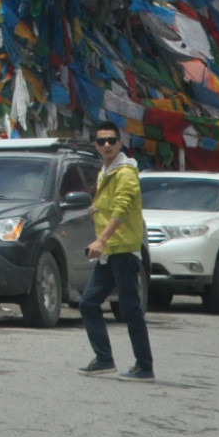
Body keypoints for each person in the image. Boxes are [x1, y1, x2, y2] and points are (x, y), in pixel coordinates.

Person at [81, 119, 154, 381]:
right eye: (102, 141)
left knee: (130, 308)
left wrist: (100, 240)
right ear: (96, 145)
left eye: (112, 140)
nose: (107, 144)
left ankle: (144, 366)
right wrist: (97, 208)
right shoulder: (106, 170)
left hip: (122, 249)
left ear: (120, 143)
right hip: (110, 251)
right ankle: (104, 359)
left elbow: (123, 208)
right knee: (88, 303)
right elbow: (113, 204)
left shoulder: (125, 171)